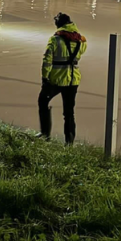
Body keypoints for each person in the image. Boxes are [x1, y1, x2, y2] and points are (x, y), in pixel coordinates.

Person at [38, 12, 86, 145]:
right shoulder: (80, 41)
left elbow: (47, 60)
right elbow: (83, 49)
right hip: (73, 80)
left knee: (43, 101)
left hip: (56, 80)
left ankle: (45, 134)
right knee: (69, 113)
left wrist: (44, 77)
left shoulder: (54, 40)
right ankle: (69, 142)